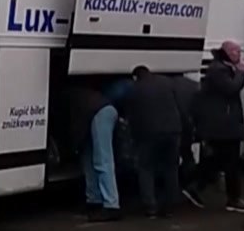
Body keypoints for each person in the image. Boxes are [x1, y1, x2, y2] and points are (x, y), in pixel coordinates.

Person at [184, 40, 244, 213]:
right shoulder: (219, 70)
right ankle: (233, 198)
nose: (239, 54)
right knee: (230, 163)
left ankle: (196, 187)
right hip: (224, 125)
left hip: (222, 124)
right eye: (235, 51)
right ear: (227, 52)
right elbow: (231, 88)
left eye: (239, 50)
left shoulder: (219, 68)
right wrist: (241, 73)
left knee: (217, 161)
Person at [126, 66, 185, 219]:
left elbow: (132, 115)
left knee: (146, 168)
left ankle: (150, 207)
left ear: (135, 76)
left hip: (148, 134)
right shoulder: (166, 82)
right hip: (173, 131)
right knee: (171, 168)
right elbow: (178, 104)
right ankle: (171, 206)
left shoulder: (134, 88)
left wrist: (133, 137)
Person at [70, 85, 121, 222]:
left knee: (102, 159)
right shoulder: (75, 94)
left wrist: (75, 145)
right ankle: (94, 200)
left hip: (98, 113)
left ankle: (111, 205)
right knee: (92, 158)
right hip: (103, 110)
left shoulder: (65, 102)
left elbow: (77, 124)